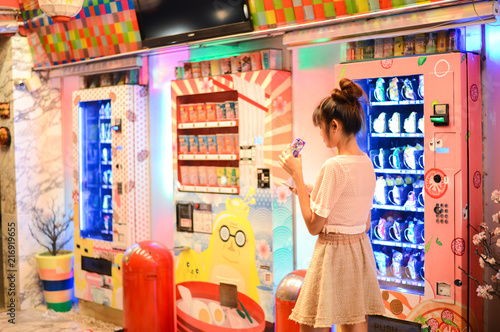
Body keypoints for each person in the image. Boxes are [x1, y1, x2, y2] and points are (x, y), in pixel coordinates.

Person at [279, 78, 385, 332]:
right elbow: (359, 216)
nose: (320, 133)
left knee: (311, 325)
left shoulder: (334, 166)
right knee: (354, 323)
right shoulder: (367, 163)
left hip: (332, 256)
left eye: (321, 127)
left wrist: (297, 175)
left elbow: (314, 226)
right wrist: (307, 189)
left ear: (334, 126)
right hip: (358, 253)